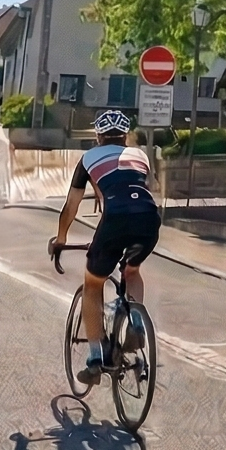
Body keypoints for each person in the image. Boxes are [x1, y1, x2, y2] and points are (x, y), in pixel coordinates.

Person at [50, 111, 159, 385]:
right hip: (148, 218)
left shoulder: (88, 158)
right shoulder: (141, 156)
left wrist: (60, 239)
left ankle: (95, 359)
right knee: (131, 271)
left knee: (93, 283)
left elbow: (71, 206)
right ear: (126, 136)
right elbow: (135, 188)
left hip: (115, 220)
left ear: (98, 136)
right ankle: (135, 323)